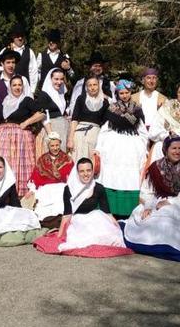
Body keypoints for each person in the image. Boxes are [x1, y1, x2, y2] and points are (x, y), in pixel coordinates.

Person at [123, 136, 180, 262]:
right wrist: (148, 206)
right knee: (144, 216)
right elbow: (147, 190)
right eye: (174, 148)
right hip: (157, 199)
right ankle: (152, 244)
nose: (177, 151)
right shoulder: (156, 167)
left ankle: (167, 246)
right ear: (166, 149)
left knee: (167, 214)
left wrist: (170, 202)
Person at [33, 158, 132, 258]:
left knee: (111, 237)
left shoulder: (99, 188)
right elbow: (67, 214)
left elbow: (107, 212)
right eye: (82, 171)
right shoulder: (69, 189)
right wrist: (59, 235)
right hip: (77, 220)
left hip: (95, 217)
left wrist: (116, 226)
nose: (86, 174)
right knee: (82, 240)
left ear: (92, 171)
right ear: (77, 173)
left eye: (88, 170)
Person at [94, 79, 147, 218]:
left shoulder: (136, 108)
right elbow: (105, 129)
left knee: (130, 176)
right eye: (121, 93)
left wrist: (143, 147)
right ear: (117, 93)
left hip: (132, 149)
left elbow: (141, 130)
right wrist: (99, 148)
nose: (124, 95)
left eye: (126, 92)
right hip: (113, 147)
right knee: (112, 175)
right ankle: (110, 208)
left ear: (130, 92)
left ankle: (130, 209)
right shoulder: (112, 109)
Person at [0, 75, 45, 197]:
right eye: (14, 85)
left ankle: (20, 196)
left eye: (20, 85)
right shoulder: (5, 101)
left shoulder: (26, 100)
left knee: (20, 166)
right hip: (3, 138)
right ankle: (3, 193)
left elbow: (42, 113)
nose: (17, 87)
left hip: (20, 138)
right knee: (6, 164)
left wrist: (27, 122)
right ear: (10, 87)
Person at [26, 133, 73, 225]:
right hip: (45, 189)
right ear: (48, 146)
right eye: (52, 145)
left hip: (61, 188)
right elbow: (35, 177)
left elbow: (73, 178)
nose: (55, 148)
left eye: (57, 145)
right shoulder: (42, 160)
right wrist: (32, 189)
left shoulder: (67, 159)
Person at [67, 76, 108, 161]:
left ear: (99, 85)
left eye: (95, 85)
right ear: (86, 87)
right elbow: (74, 120)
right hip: (79, 135)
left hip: (95, 135)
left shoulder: (105, 102)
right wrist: (70, 139)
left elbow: (105, 124)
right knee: (77, 160)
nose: (92, 88)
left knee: (92, 162)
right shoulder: (81, 99)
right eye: (90, 85)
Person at [34, 67, 70, 151]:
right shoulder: (44, 94)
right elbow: (42, 115)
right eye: (56, 79)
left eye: (61, 79)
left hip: (62, 128)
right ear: (50, 79)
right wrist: (51, 134)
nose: (59, 82)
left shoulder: (62, 93)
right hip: (51, 128)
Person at [0, 23, 38, 89]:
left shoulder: (29, 52)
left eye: (22, 36)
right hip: (8, 88)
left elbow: (33, 72)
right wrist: (6, 68)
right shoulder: (5, 50)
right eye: (17, 35)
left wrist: (32, 91)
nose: (20, 38)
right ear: (13, 36)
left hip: (24, 89)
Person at [132, 67, 167, 132]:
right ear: (143, 80)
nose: (151, 81)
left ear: (157, 81)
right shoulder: (133, 98)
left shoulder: (163, 99)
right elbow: (128, 116)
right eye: (148, 78)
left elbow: (166, 120)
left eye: (154, 78)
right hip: (139, 132)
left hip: (157, 132)